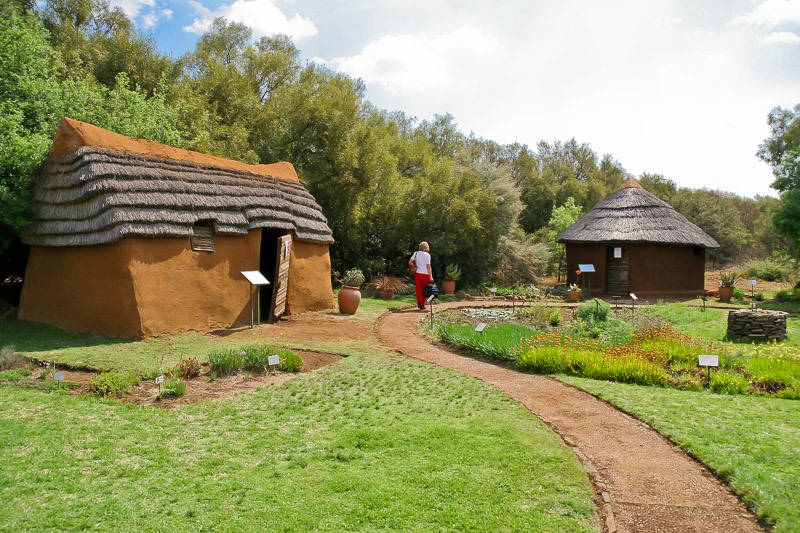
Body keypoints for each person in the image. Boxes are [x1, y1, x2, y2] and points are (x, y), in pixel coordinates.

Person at [409, 241, 433, 310]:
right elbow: (428, 266)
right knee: (426, 290)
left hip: (417, 273)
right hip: (425, 274)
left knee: (419, 289)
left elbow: (410, 262)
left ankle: (419, 302)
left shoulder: (416, 253)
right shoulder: (427, 255)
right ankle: (423, 303)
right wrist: (431, 276)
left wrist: (414, 266)